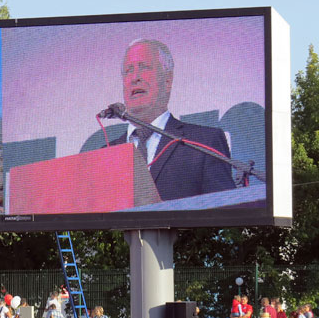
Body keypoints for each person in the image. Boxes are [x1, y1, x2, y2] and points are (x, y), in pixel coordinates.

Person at [99, 39, 236, 201]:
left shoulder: (203, 142)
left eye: (144, 67)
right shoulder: (105, 154)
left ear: (167, 80)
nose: (135, 77)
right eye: (128, 70)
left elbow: (223, 208)